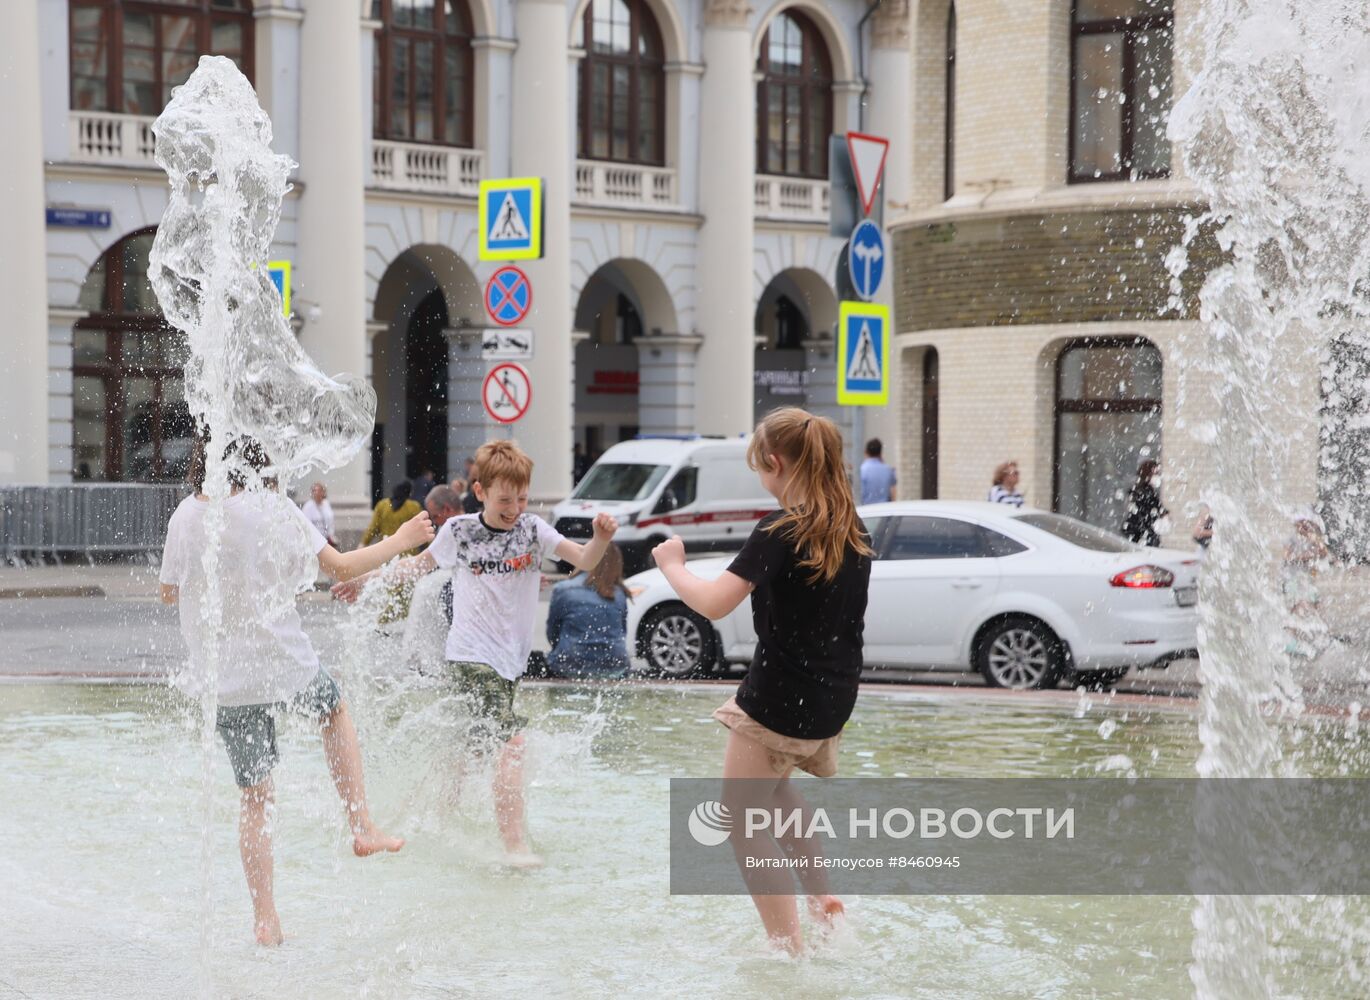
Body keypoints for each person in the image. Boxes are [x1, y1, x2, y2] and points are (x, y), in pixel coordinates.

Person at [159, 436, 433, 947]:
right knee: (334, 710)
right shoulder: (270, 505)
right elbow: (341, 567)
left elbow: (170, 590)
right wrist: (404, 538)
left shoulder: (183, 516)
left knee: (255, 798)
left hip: (225, 681)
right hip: (283, 664)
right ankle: (362, 825)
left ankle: (265, 918)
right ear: (257, 461)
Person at [650, 407, 873, 955]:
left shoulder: (780, 529)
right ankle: (823, 899)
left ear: (775, 463)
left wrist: (672, 564)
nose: (763, 481)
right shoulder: (850, 527)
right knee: (773, 790)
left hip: (779, 695)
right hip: (832, 695)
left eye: (761, 469)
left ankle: (787, 949)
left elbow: (713, 601)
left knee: (742, 823)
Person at [334, 439, 618, 865]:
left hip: (509, 663)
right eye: (505, 498)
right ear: (480, 491)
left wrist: (598, 538)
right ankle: (514, 845)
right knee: (513, 743)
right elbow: (414, 568)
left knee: (471, 749)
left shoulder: (532, 530)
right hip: (470, 655)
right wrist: (366, 580)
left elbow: (583, 558)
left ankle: (430, 816)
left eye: (522, 498)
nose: (515, 508)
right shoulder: (459, 531)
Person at [545, 542, 631, 679]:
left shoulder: (563, 589)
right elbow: (622, 632)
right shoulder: (619, 593)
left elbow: (553, 632)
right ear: (616, 565)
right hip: (614, 665)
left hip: (569, 663)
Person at [1282, 508, 1331, 662]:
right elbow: (1287, 557)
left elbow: (1324, 553)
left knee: (1314, 605)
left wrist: (1316, 540)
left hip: (1307, 579)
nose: (1303, 527)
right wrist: (1308, 556)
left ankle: (1316, 636)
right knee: (1295, 608)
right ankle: (1290, 640)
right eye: (1301, 524)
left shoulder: (1312, 537)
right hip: (1292, 578)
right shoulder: (1291, 538)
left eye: (1306, 524)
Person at [361, 481, 422, 549]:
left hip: (386, 549)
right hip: (407, 550)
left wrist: (363, 543)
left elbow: (373, 528)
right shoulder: (414, 506)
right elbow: (421, 528)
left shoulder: (382, 505)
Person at [1122, 459, 1168, 547]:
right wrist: (1162, 514)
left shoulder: (1141, 490)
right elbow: (1147, 513)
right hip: (1141, 534)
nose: (1159, 476)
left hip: (1137, 532)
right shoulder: (1146, 492)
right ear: (1149, 475)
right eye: (1156, 473)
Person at [858, 438, 897, 505]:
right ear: (880, 453)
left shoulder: (862, 470)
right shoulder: (888, 469)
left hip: (867, 511)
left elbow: (860, 493)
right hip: (884, 510)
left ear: (866, 452)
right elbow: (893, 492)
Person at [300, 481, 336, 548]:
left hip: (327, 539)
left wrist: (331, 535)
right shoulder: (308, 507)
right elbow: (305, 525)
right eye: (314, 491)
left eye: (319, 491)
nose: (317, 493)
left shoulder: (326, 504)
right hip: (315, 541)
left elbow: (331, 521)